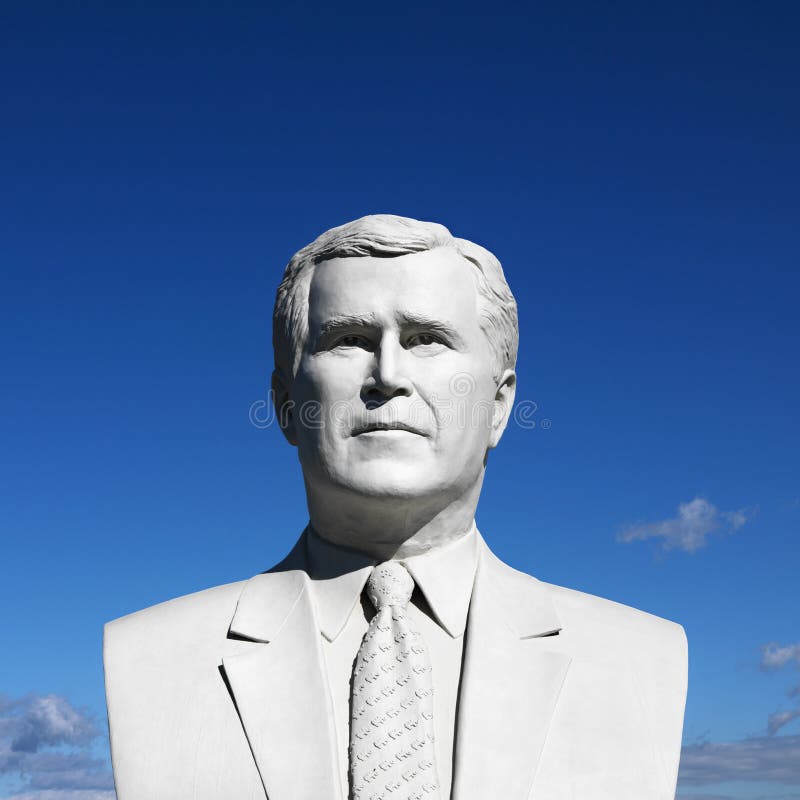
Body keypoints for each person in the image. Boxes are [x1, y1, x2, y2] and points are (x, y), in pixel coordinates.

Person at [104, 214, 687, 800]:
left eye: (426, 339)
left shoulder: (639, 657)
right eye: (349, 340)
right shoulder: (149, 657)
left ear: (500, 405)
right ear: (285, 403)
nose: (387, 375)